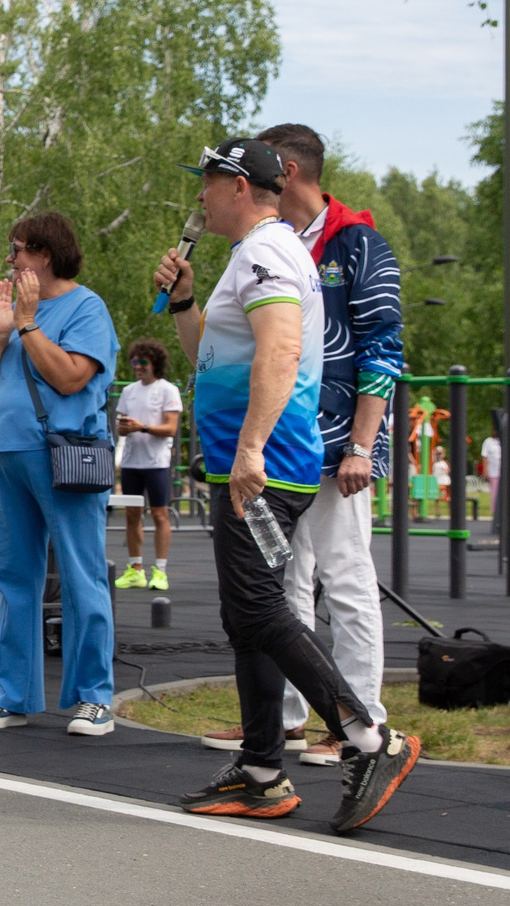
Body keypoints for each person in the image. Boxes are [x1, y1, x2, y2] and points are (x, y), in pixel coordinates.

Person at [154, 137, 418, 834]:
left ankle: (369, 739)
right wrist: (183, 302)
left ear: (239, 186)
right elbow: (215, 353)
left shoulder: (267, 252)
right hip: (248, 460)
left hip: (264, 463)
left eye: (207, 183)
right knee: (249, 616)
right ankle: (264, 769)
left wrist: (250, 447)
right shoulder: (255, 255)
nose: (200, 197)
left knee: (262, 610)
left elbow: (280, 349)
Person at [0, 213, 119, 734]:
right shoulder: (15, 313)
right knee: (15, 579)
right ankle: (11, 696)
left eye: (17, 250)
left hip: (64, 454)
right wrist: (0, 333)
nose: (10, 260)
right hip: (8, 452)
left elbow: (72, 378)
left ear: (44, 254)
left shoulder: (86, 307)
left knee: (81, 575)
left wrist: (28, 326)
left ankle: (94, 696)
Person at [113, 339, 182, 591]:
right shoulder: (129, 391)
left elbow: (171, 428)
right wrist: (125, 428)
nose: (138, 367)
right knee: (132, 514)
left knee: (159, 514)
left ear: (155, 364)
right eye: (134, 362)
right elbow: (122, 428)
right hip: (132, 461)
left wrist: (141, 427)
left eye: (143, 362)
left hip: (157, 463)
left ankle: (161, 570)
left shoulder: (167, 390)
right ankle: (135, 569)